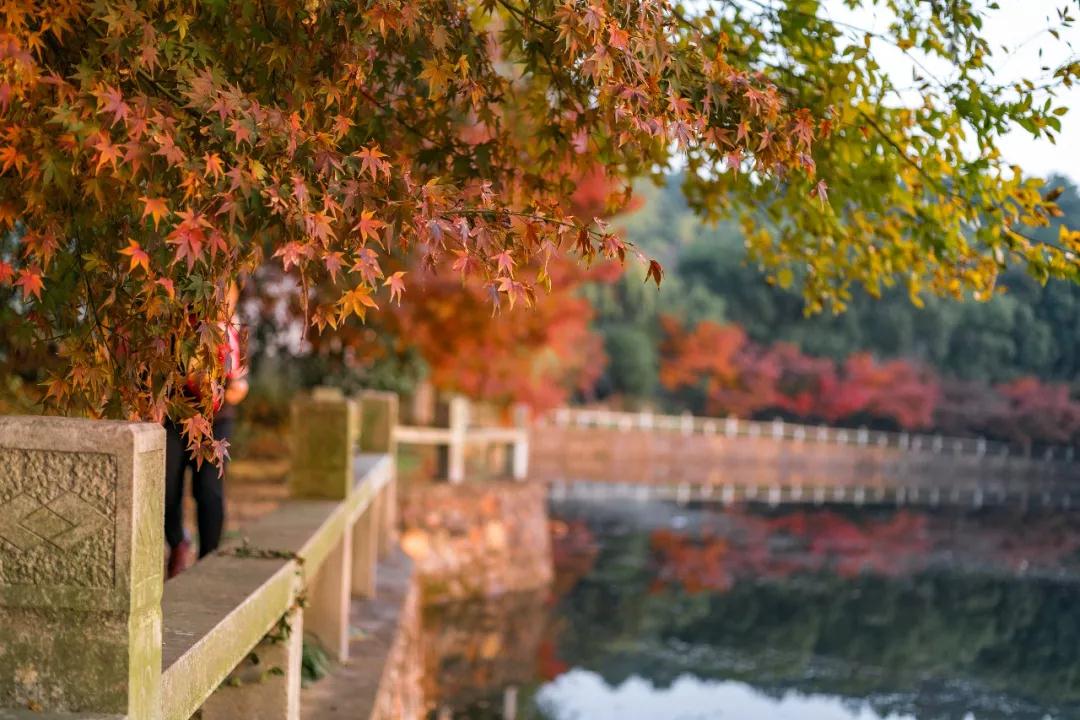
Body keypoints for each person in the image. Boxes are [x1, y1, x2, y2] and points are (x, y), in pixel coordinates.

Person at [164, 285, 248, 578]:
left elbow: (239, 385)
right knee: (165, 488)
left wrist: (227, 391)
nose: (223, 300)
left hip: (215, 419)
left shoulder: (234, 330)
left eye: (228, 296)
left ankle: (209, 561)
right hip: (176, 416)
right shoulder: (181, 325)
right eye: (217, 295)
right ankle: (178, 542)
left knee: (209, 492)